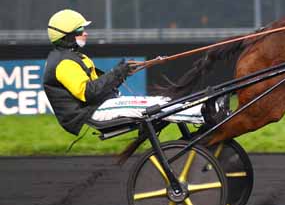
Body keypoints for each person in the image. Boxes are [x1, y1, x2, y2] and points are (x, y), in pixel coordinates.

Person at [43, 9, 205, 136]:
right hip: (95, 111)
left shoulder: (73, 57)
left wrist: (121, 72)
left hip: (103, 104)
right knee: (156, 107)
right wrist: (118, 73)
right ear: (67, 36)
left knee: (163, 100)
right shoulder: (63, 63)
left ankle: (203, 108)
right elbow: (88, 93)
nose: (85, 33)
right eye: (80, 30)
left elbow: (99, 86)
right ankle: (203, 113)